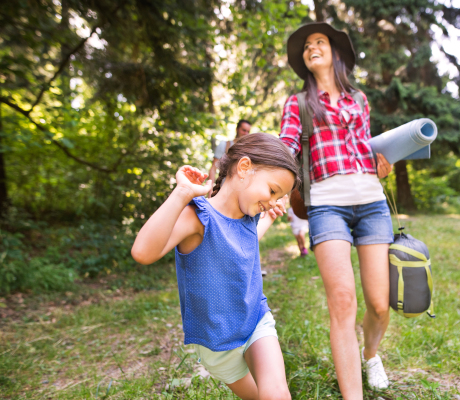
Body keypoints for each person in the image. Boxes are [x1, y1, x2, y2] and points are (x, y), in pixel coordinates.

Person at [131, 133, 298, 400]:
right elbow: (142, 252)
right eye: (273, 190)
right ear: (244, 168)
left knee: (276, 393)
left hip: (255, 320)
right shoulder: (199, 217)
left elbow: (245, 243)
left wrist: (268, 215)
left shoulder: (248, 218)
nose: (273, 201)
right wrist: (182, 193)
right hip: (218, 345)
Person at [279, 22, 394, 397]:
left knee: (379, 304)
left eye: (320, 42)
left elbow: (365, 145)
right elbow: (285, 148)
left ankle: (371, 354)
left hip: (372, 204)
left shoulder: (359, 99)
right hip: (328, 206)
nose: (312, 47)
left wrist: (381, 162)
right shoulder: (297, 103)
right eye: (307, 45)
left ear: (335, 53)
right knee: (343, 301)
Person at [208, 119, 252, 186]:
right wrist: (210, 189)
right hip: (223, 189)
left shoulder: (249, 150)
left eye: (248, 131)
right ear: (237, 129)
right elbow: (213, 169)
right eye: (243, 130)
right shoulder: (224, 145)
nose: (246, 134)